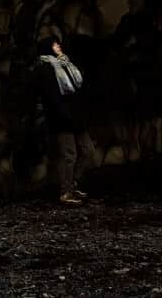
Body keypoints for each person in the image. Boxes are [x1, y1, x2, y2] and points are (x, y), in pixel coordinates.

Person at [36, 36, 95, 205]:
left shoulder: (65, 64)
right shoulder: (46, 69)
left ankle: (73, 183)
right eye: (54, 44)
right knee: (70, 155)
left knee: (88, 151)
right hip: (61, 119)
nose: (58, 46)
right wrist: (63, 114)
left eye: (58, 43)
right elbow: (51, 97)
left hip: (75, 117)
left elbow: (77, 89)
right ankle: (66, 192)